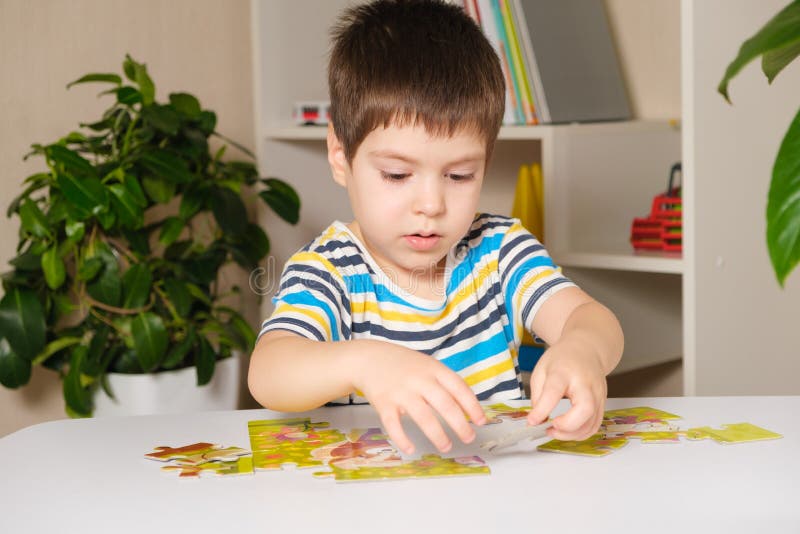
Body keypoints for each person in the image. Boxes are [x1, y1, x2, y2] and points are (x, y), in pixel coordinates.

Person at [248, 0, 623, 455]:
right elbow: (269, 372)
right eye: (397, 175)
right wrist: (365, 362)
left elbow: (593, 320)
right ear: (340, 156)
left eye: (459, 175)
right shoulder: (328, 270)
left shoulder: (500, 250)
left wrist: (583, 348)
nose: (431, 205)